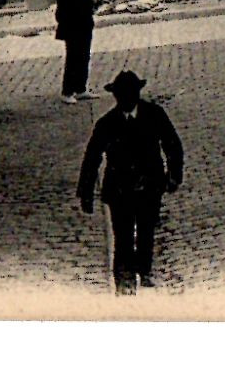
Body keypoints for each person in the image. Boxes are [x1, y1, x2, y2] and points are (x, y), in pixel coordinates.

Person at [77, 71, 185, 293]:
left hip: (149, 185)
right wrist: (86, 193)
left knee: (146, 231)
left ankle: (144, 272)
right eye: (121, 95)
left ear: (137, 94)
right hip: (120, 189)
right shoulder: (107, 123)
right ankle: (123, 281)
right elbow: (92, 157)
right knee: (123, 235)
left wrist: (174, 175)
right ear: (116, 97)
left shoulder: (154, 114)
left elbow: (172, 144)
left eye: (129, 95)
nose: (125, 100)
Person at [54, 0, 97, 105]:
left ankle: (80, 89)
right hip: (73, 32)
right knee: (73, 60)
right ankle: (67, 92)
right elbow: (60, 15)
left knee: (84, 58)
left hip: (85, 30)